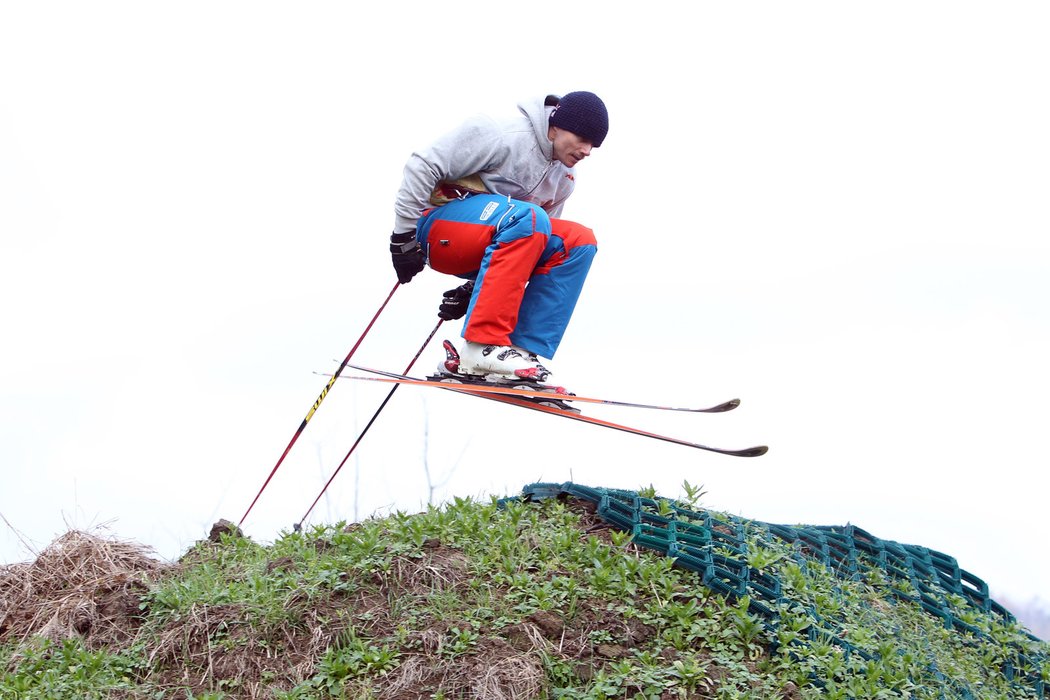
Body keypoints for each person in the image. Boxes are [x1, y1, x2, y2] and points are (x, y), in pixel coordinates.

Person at [389, 91, 608, 383]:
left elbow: (534, 248)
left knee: (578, 241)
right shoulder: (501, 134)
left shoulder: (564, 179)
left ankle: (516, 354)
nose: (587, 150)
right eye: (583, 138)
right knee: (530, 217)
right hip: (435, 228)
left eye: (594, 144)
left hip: (491, 241)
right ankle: (481, 346)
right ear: (555, 126)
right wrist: (403, 237)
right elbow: (423, 165)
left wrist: (474, 288)